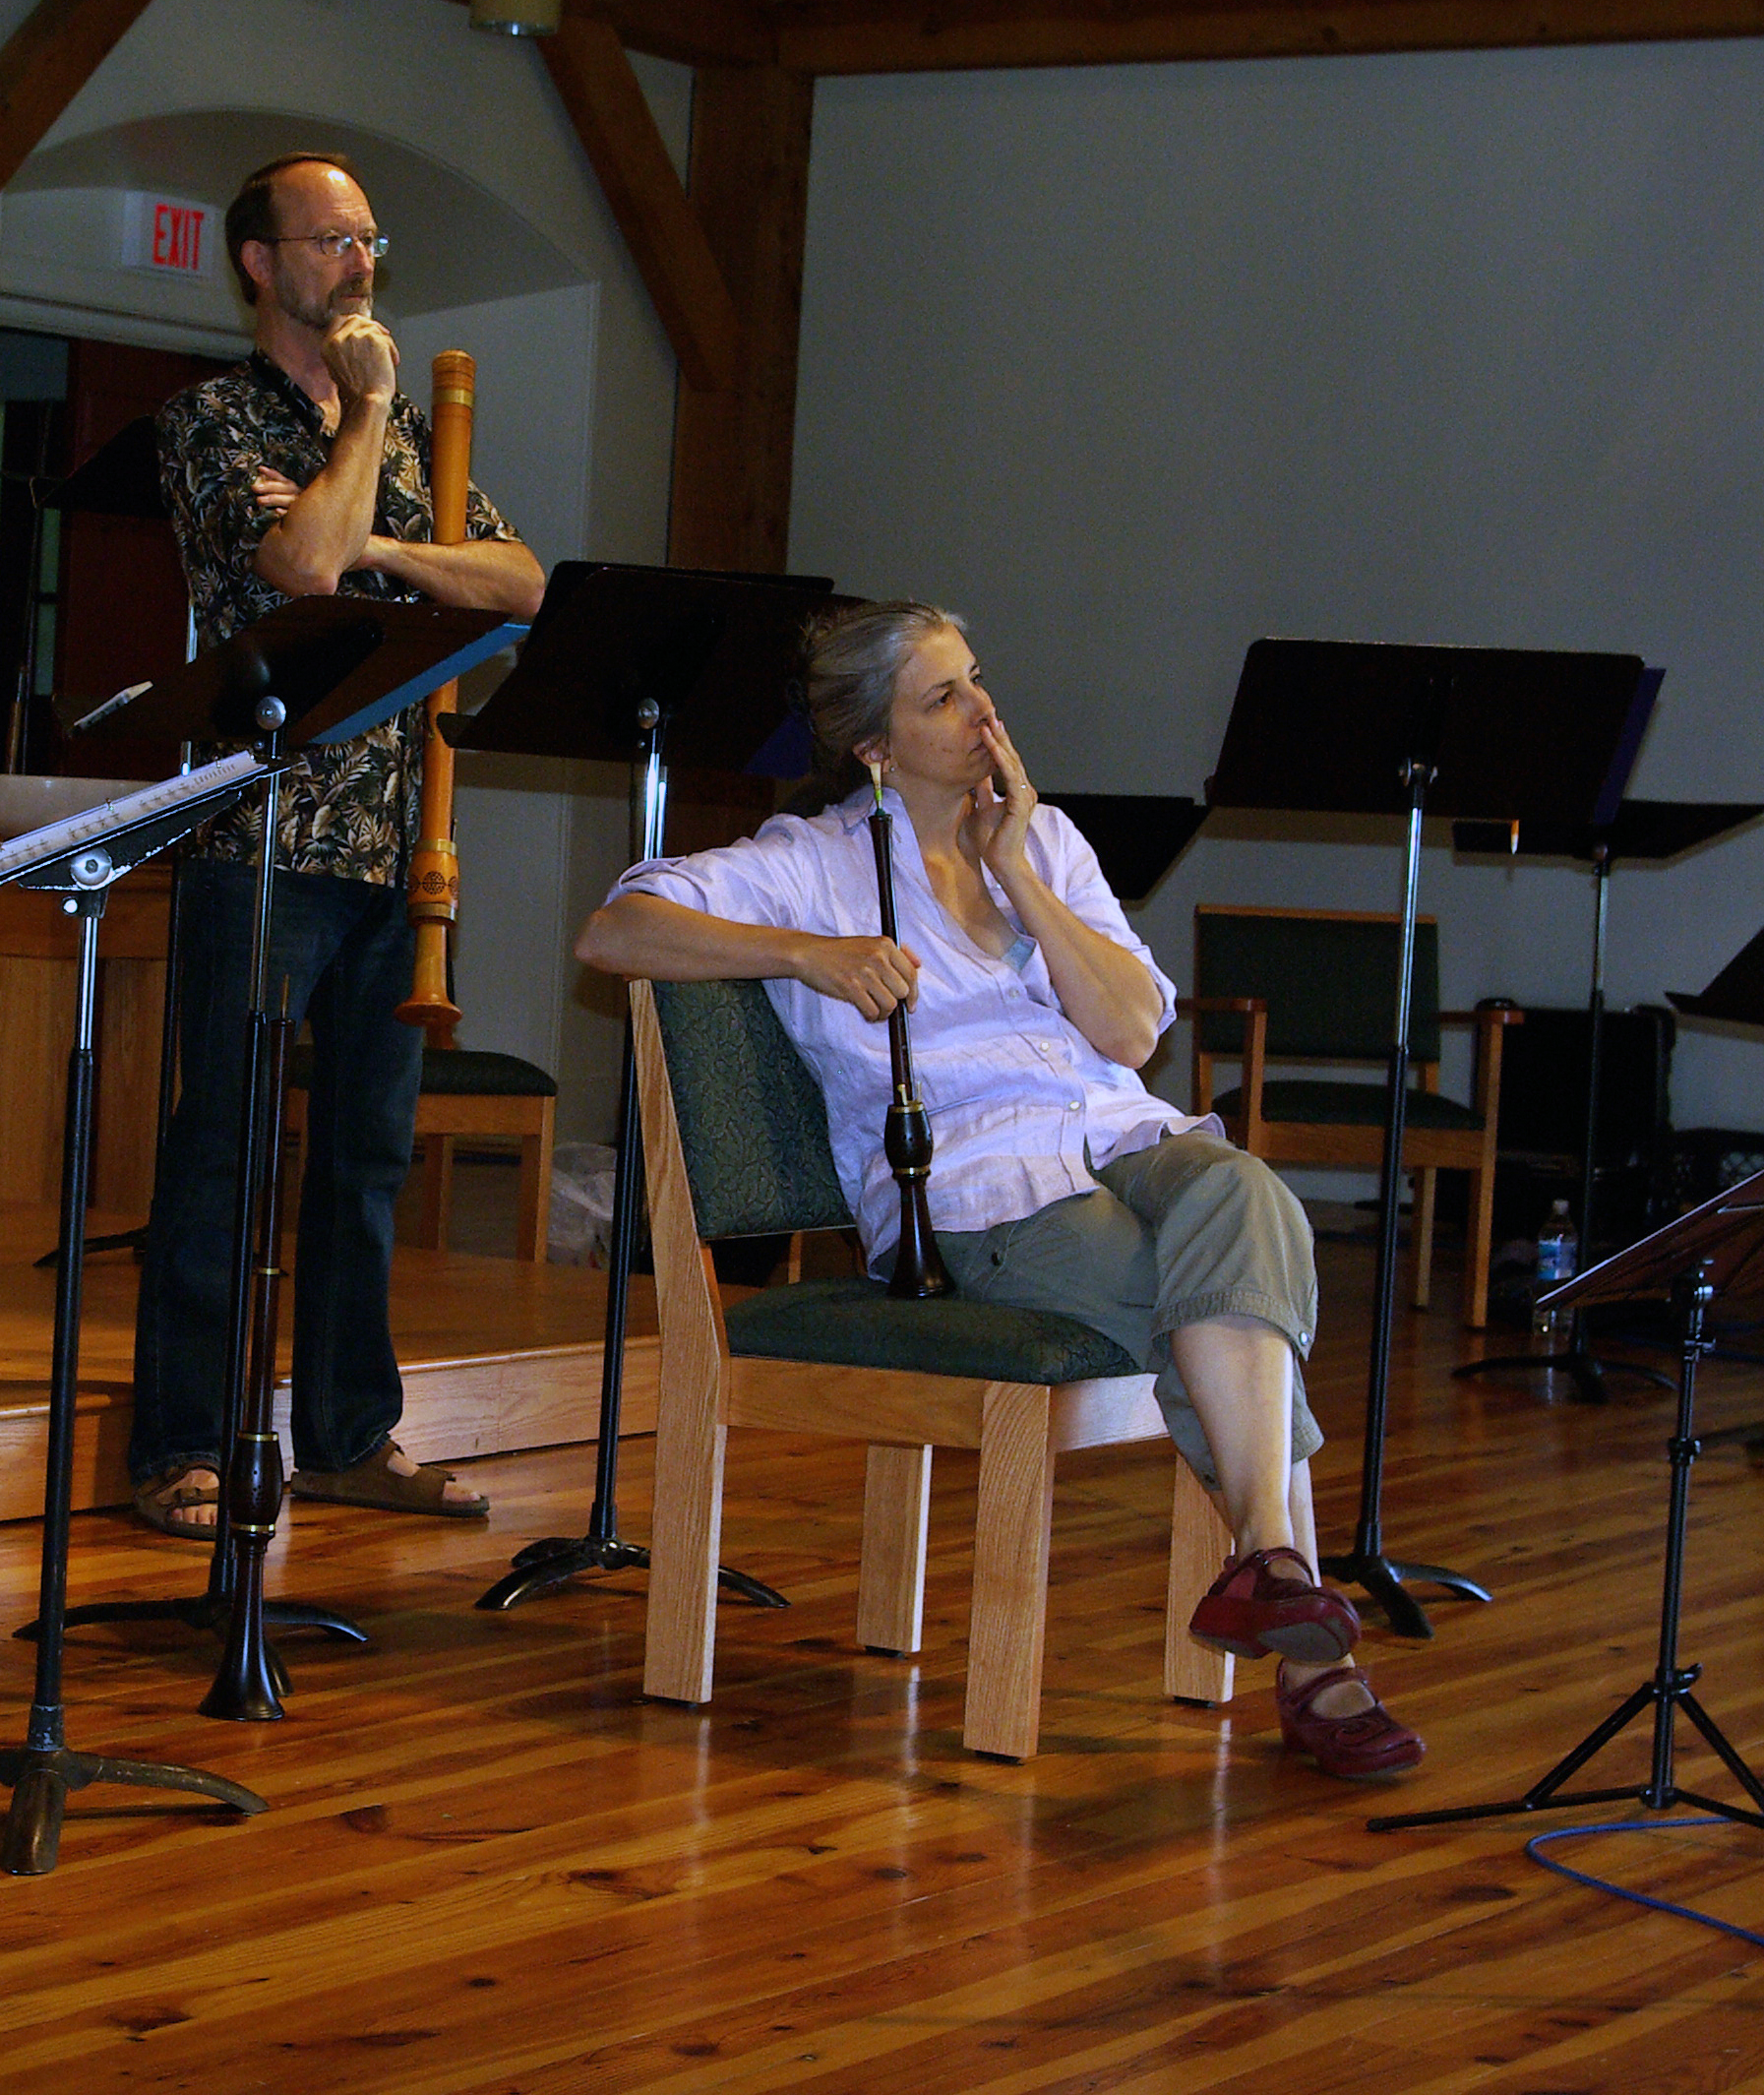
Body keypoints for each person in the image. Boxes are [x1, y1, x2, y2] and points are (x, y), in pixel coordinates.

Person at [575, 601, 1425, 1782]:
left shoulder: (1048, 841)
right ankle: (1309, 1646)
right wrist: (805, 954)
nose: (984, 713)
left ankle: (1273, 1579)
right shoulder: (806, 866)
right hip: (976, 1189)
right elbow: (615, 932)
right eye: (942, 699)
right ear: (873, 747)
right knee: (1207, 1305)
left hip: (1118, 1130)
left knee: (1248, 1203)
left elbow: (1128, 1035)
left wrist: (1019, 874)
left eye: (976, 681)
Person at [129, 154, 543, 1546]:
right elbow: (303, 563)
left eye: (372, 237)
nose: (362, 262)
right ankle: (184, 1438)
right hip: (260, 834)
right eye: (332, 240)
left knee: (366, 1160)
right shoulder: (210, 419)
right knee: (225, 1151)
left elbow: (520, 583)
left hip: (397, 844)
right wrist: (363, 419)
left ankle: (352, 1434)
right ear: (260, 263)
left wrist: (400, 553)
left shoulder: (432, 437)